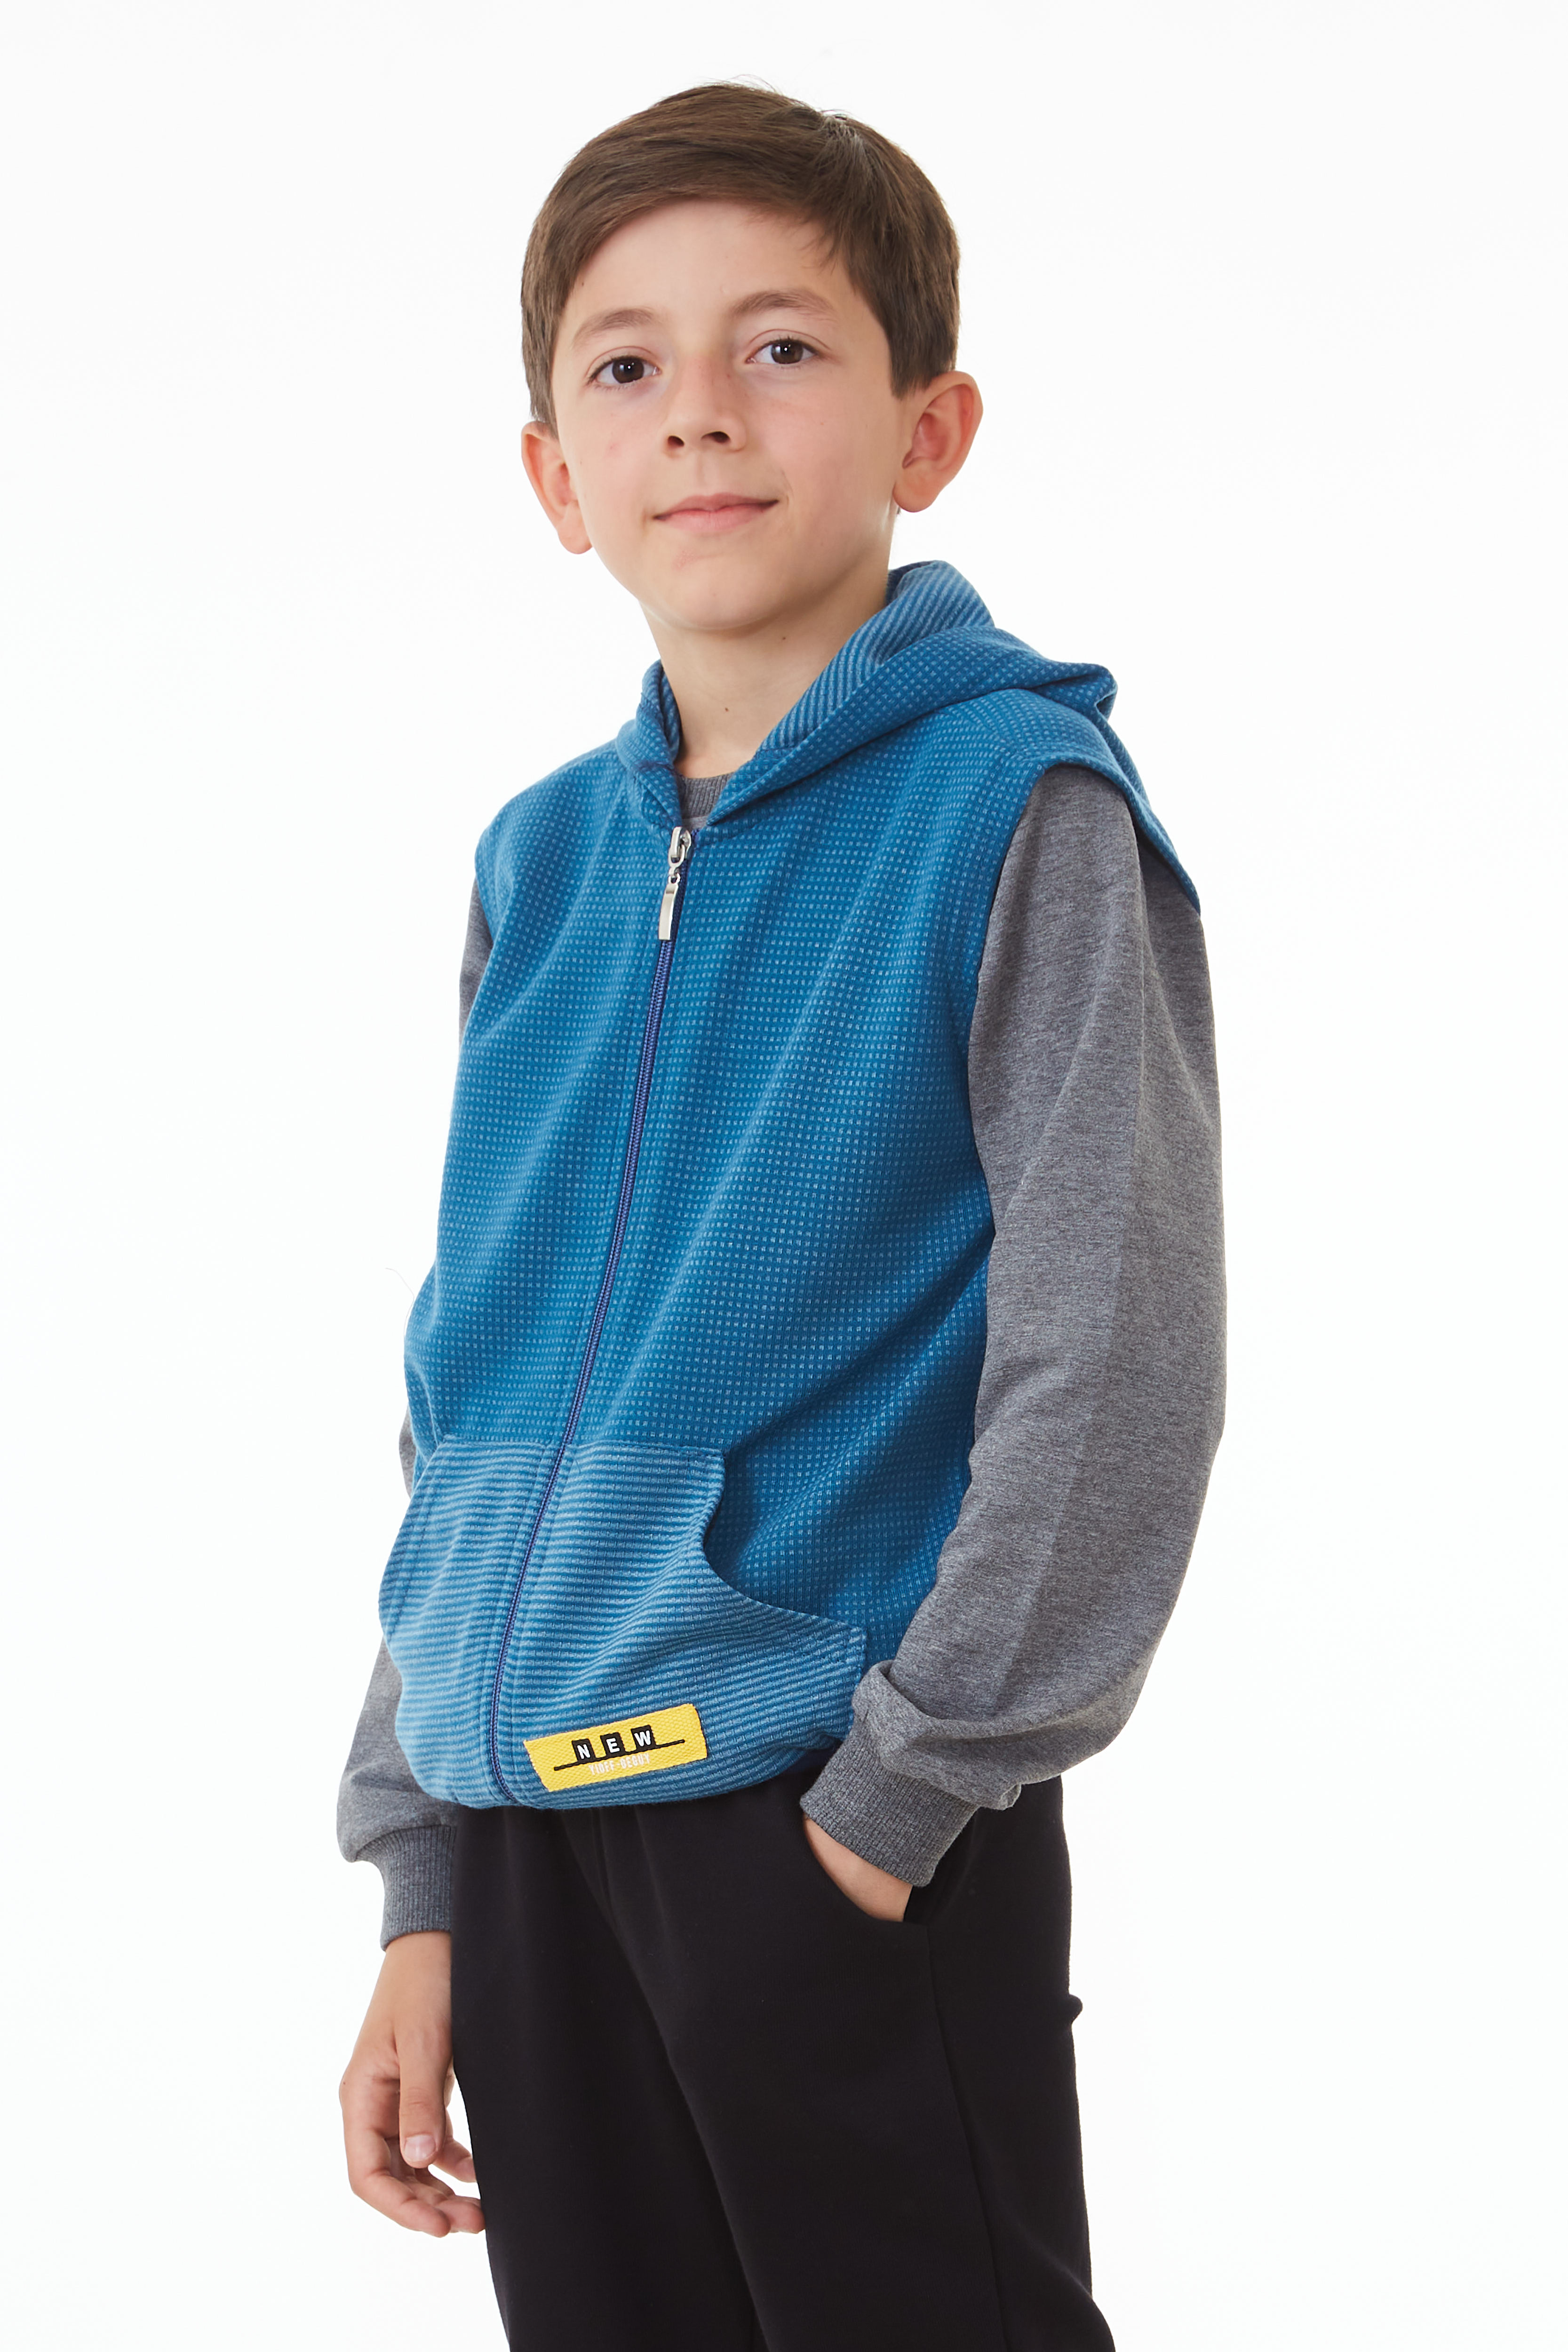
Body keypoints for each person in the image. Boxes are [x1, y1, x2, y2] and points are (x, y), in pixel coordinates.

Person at [336, 81, 1224, 2352]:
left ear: (932, 428)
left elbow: (1111, 1354)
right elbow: (476, 1381)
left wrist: (889, 1808)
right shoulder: (541, 861)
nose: (702, 412)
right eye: (627, 363)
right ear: (555, 474)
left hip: (822, 1817)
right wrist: (422, 1871)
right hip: (526, 1831)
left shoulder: (1013, 805)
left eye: (785, 347)